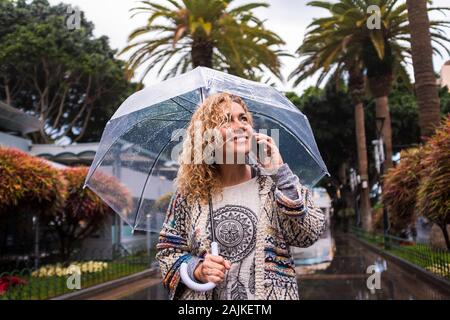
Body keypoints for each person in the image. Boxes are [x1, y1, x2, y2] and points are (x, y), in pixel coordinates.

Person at [156, 92, 325, 300]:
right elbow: (167, 253)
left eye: (243, 118)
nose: (241, 125)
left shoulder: (273, 183)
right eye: (226, 120)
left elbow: (310, 233)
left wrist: (281, 173)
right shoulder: (189, 194)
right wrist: (198, 270)